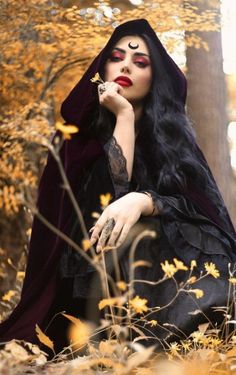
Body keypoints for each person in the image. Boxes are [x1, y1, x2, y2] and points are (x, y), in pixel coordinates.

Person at [0, 19, 235, 354]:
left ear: (154, 79)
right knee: (126, 227)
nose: (126, 64)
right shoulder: (76, 140)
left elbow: (207, 217)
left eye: (140, 62)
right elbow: (105, 209)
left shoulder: (174, 142)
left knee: (192, 236)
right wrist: (123, 118)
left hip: (165, 281)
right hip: (92, 283)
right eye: (117, 57)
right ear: (102, 68)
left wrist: (146, 201)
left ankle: (194, 329)